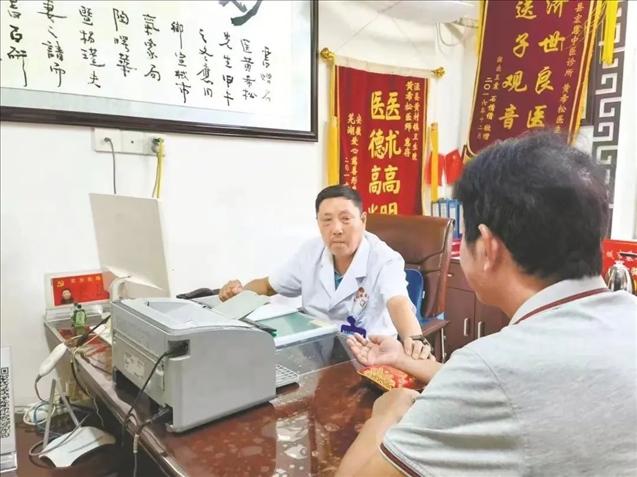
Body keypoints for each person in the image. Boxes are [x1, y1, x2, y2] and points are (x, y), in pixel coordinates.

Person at [337, 131, 637, 476]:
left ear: (487, 248)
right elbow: (521, 390)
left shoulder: (490, 366)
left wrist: (385, 414)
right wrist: (403, 359)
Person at [219, 185, 431, 358]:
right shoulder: (311, 251)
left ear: (363, 220)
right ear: (318, 223)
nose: (336, 229)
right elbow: (266, 285)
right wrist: (239, 294)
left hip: (370, 354)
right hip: (315, 351)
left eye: (345, 219)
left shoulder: (384, 258)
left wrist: (415, 340)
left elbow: (398, 302)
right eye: (327, 220)